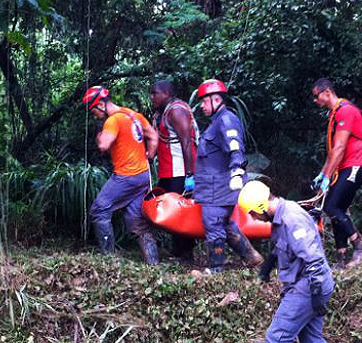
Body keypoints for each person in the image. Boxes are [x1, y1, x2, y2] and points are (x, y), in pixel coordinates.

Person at [233, 180, 351, 343]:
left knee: (277, 335)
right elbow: (280, 248)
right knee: (311, 340)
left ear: (261, 206)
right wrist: (267, 268)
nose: (255, 219)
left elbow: (314, 260)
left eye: (255, 215)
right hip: (306, 283)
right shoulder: (281, 217)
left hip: (309, 284)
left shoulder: (292, 219)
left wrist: (315, 296)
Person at [82, 85, 159, 265]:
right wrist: (148, 156)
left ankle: (109, 261)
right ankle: (153, 264)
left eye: (93, 110)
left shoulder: (113, 121)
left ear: (101, 104)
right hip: (143, 176)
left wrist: (100, 134)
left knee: (99, 210)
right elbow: (153, 137)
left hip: (126, 176)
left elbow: (104, 145)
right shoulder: (133, 115)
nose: (94, 115)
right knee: (135, 220)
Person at [194, 79, 263, 274]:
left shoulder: (225, 120)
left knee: (213, 222)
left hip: (221, 186)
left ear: (216, 99)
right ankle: (252, 257)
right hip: (211, 186)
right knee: (224, 223)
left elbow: (235, 147)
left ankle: (216, 269)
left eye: (204, 101)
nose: (202, 106)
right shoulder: (216, 122)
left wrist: (237, 171)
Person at [311, 78, 362, 269]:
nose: (315, 100)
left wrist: (328, 177)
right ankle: (341, 258)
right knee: (337, 208)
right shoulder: (334, 113)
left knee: (331, 206)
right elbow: (333, 152)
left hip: (357, 163)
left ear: (327, 92)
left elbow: (339, 148)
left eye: (316, 95)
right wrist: (322, 174)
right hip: (345, 165)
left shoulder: (345, 110)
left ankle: (360, 246)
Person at [150, 79, 199, 262]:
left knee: (181, 213)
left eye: (156, 93)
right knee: (170, 212)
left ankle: (186, 255)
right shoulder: (161, 113)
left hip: (180, 172)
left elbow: (187, 143)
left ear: (167, 93)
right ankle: (178, 250)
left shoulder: (177, 111)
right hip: (167, 172)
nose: (152, 97)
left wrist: (190, 176)